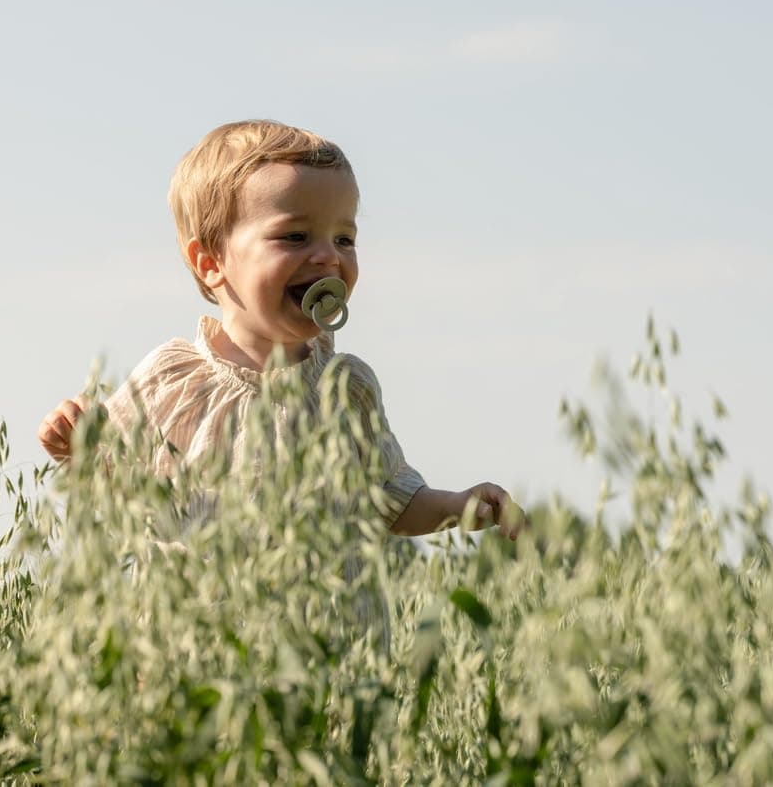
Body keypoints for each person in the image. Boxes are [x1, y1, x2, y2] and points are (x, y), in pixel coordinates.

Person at [36, 119, 524, 543]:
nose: (328, 256)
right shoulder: (174, 379)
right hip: (203, 638)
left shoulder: (346, 388)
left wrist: (455, 506)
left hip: (327, 639)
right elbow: (122, 486)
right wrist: (77, 446)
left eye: (344, 238)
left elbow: (389, 498)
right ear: (210, 262)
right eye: (295, 236)